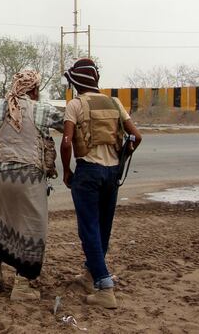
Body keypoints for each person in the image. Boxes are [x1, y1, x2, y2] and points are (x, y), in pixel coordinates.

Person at [0, 70, 64, 300]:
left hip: (0, 177)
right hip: (30, 177)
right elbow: (68, 126)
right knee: (34, 228)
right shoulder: (42, 109)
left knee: (4, 222)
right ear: (34, 89)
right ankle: (23, 285)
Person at [60, 58, 142, 309]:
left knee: (88, 228)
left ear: (75, 82)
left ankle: (105, 287)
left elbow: (66, 141)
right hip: (111, 174)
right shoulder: (114, 102)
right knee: (103, 226)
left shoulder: (75, 104)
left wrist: (66, 171)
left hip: (88, 172)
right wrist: (121, 157)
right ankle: (90, 273)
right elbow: (136, 136)